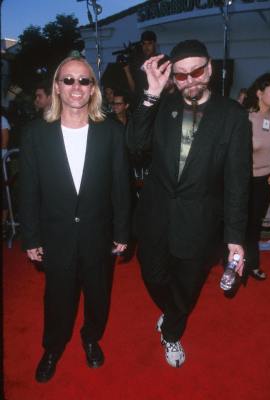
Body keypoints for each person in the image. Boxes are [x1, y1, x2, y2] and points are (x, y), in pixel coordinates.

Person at [127, 40, 251, 368]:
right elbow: (135, 147)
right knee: (152, 276)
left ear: (210, 68)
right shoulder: (163, 106)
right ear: (172, 79)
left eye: (196, 71)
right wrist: (151, 93)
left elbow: (238, 181)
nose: (190, 81)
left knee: (186, 288)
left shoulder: (233, 116)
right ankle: (172, 313)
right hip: (155, 216)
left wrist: (235, 237)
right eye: (180, 76)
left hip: (199, 223)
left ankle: (171, 332)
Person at [19, 56, 130, 382]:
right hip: (56, 235)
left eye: (84, 81)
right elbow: (29, 191)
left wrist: (122, 230)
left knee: (98, 294)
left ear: (93, 88)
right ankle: (53, 347)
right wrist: (31, 237)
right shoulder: (37, 134)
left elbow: (121, 186)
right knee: (57, 297)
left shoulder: (109, 132)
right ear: (57, 86)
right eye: (68, 80)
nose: (76, 87)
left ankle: (91, 338)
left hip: (99, 233)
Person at [242, 73, 270, 280]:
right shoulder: (245, 118)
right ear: (259, 93)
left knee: (254, 226)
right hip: (245, 180)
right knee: (241, 224)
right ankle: (235, 263)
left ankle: (252, 264)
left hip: (265, 180)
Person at [123, 31, 158, 102]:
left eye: (149, 43)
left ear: (155, 44)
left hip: (158, 102)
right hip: (140, 101)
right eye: (144, 44)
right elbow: (133, 88)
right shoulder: (136, 62)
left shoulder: (162, 60)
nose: (146, 47)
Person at [1, 111, 11, 238]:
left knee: (4, 194)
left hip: (1, 161)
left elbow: (4, 143)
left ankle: (4, 225)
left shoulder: (2, 119)